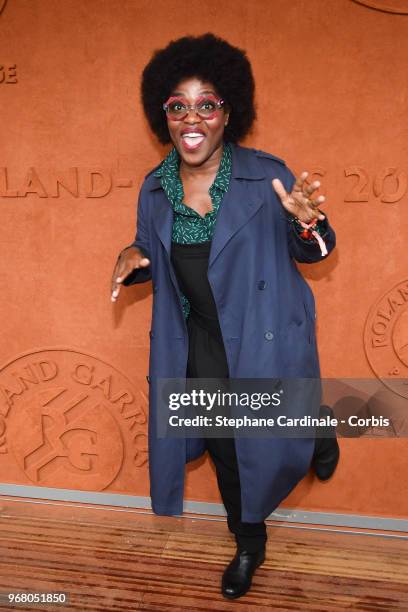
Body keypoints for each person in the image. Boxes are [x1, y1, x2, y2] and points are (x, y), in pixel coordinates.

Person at [111, 33, 339, 600]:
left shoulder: (266, 177)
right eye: (177, 105)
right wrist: (132, 258)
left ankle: (313, 426)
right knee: (226, 445)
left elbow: (314, 251)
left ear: (228, 112)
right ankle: (249, 542)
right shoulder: (154, 191)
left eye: (207, 103)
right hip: (200, 341)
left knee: (268, 429)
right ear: (162, 114)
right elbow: (149, 251)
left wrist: (308, 224)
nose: (192, 117)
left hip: (263, 334)